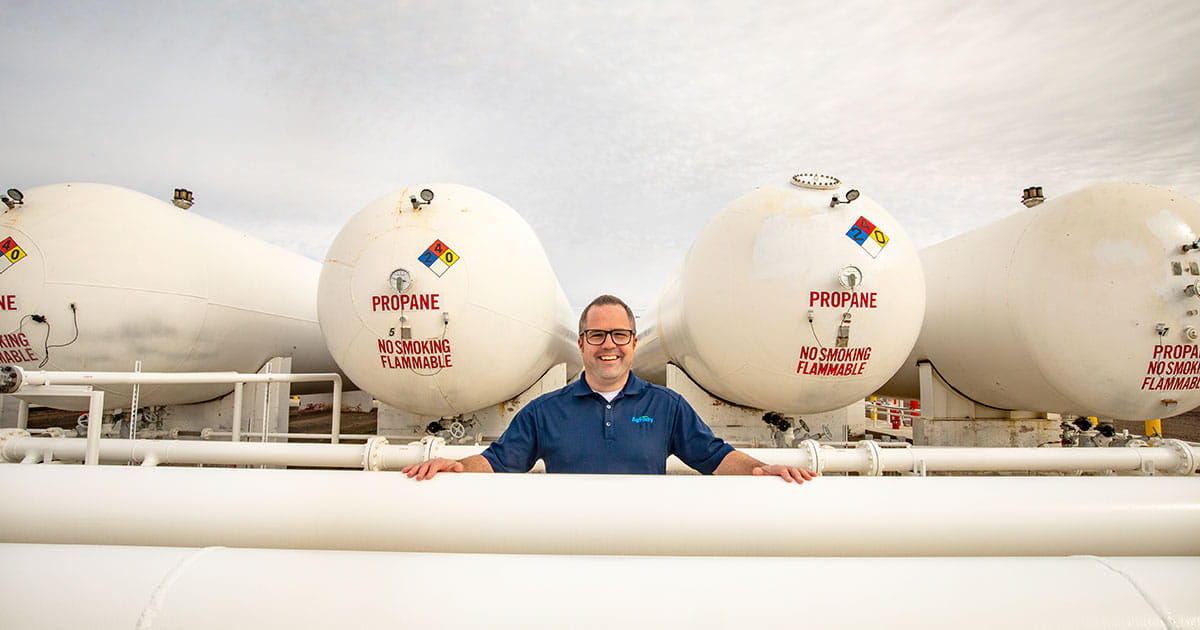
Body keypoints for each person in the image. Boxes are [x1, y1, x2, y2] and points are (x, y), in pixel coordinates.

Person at [402, 294, 817, 483]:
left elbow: (713, 456)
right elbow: (498, 461)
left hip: (643, 545)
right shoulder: (544, 411)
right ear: (581, 343)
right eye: (597, 336)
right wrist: (457, 467)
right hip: (568, 547)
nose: (609, 346)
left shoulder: (667, 406)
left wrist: (762, 469)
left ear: (634, 343)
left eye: (620, 335)